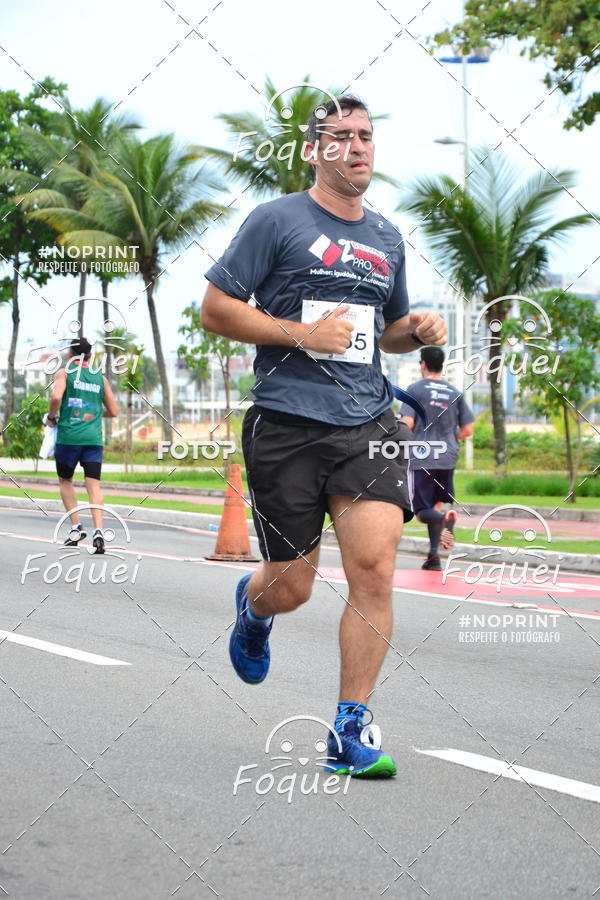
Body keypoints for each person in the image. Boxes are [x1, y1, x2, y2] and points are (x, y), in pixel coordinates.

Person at [202, 95, 447, 778]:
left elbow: (385, 331)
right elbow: (216, 310)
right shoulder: (275, 220)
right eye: (341, 136)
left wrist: (415, 330)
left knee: (374, 569)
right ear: (313, 150)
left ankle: (349, 728)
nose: (358, 146)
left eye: (366, 135)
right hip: (286, 422)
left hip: (368, 421)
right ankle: (254, 608)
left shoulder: (387, 238)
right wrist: (301, 334)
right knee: (293, 587)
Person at [400, 346, 474, 571]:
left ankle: (444, 521)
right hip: (447, 457)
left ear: (423, 364)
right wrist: (450, 439)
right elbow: (468, 430)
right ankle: (433, 557)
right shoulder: (454, 392)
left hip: (422, 457)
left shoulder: (414, 389)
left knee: (422, 512)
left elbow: (407, 423)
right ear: (442, 365)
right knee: (435, 506)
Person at [47, 337, 118, 554]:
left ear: (70, 355)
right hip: (93, 440)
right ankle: (99, 531)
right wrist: (93, 415)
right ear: (90, 356)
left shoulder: (64, 373)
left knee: (65, 480)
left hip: (69, 438)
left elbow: (56, 397)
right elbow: (114, 411)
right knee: (94, 485)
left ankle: (76, 528)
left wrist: (51, 417)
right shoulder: (100, 378)